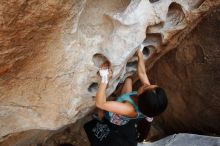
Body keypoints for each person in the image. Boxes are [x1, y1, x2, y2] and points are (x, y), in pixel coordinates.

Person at [94, 49, 168, 145]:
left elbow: (100, 103)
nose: (146, 84)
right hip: (126, 99)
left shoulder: (129, 109)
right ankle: (115, 95)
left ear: (142, 97)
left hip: (113, 117)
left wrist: (105, 77)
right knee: (128, 80)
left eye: (146, 87)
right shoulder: (148, 100)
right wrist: (140, 55)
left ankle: (101, 117)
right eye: (150, 85)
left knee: (100, 109)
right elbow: (142, 73)